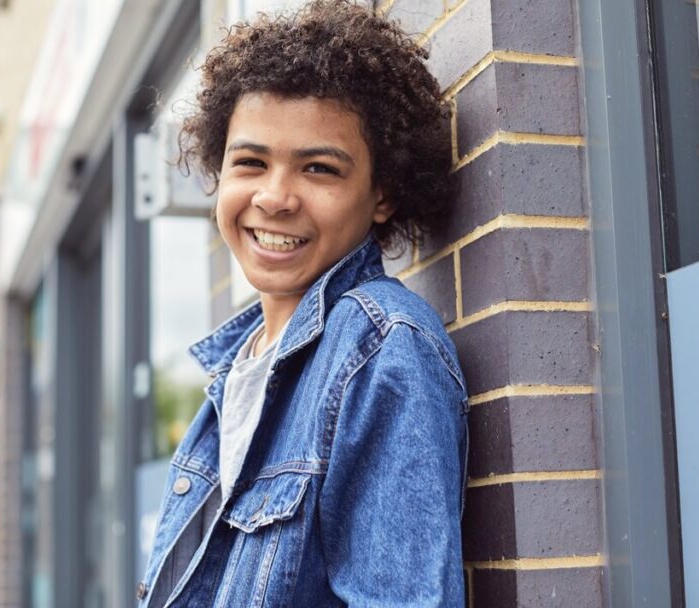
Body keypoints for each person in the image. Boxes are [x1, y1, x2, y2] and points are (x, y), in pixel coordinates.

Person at [137, 1, 468, 606]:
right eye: (250, 162)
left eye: (318, 168)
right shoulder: (237, 363)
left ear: (382, 197)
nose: (274, 197)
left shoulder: (381, 349)